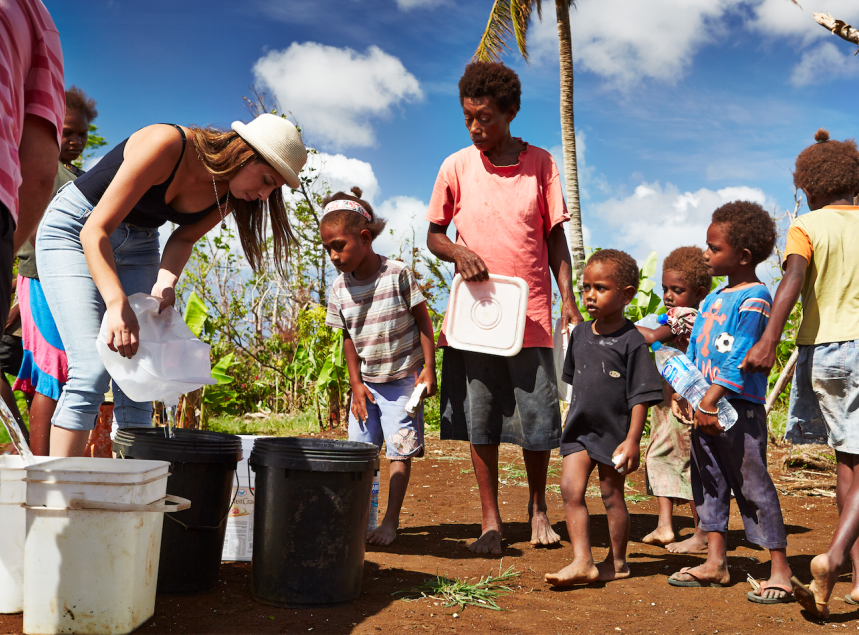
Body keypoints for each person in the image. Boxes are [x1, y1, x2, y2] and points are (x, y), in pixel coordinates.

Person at [36, 113, 306, 456]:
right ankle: (60, 501)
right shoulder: (167, 144)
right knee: (91, 371)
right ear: (244, 154)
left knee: (141, 377)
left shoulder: (231, 194)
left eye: (275, 189)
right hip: (76, 230)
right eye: (267, 179)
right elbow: (95, 231)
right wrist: (117, 304)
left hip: (140, 245)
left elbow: (184, 238)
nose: (266, 195)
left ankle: (131, 498)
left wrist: (165, 281)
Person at [742, 129, 859, 618]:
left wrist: (769, 339)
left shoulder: (807, 225)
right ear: (857, 182)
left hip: (819, 353)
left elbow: (792, 280)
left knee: (847, 459)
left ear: (807, 187)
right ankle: (833, 559)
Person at [425, 61, 582, 555]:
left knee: (537, 420)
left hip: (529, 314)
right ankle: (490, 519)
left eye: (486, 118)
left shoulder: (541, 165)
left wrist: (568, 302)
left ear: (511, 112)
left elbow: (556, 239)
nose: (476, 127)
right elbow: (434, 235)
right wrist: (458, 251)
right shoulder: (456, 166)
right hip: (475, 318)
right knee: (481, 419)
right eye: (468, 117)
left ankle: (537, 508)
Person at [666, 200, 794, 605]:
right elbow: (698, 351)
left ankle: (780, 569)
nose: (705, 255)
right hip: (704, 407)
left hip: (736, 411)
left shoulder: (755, 298)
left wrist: (709, 401)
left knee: (753, 486)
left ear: (742, 256)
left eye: (713, 248)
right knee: (709, 482)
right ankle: (716, 562)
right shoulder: (713, 299)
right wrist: (683, 393)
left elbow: (739, 357)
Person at [0, 0, 66, 536]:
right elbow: (37, 173)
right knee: (48, 377)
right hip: (37, 279)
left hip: (31, 279)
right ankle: (40, 459)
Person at [322, 187, 437, 547]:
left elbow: (424, 321)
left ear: (365, 237)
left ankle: (390, 522)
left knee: (399, 452)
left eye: (338, 245)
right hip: (366, 386)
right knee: (359, 456)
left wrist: (429, 368)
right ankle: (360, 521)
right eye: (327, 249)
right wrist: (355, 385)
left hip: (403, 382)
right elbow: (347, 340)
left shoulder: (397, 274)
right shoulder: (338, 289)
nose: (333, 255)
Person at [544, 250, 664, 586]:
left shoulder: (633, 341)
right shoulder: (580, 334)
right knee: (570, 489)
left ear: (626, 295)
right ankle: (582, 560)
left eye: (600, 288)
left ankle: (619, 562)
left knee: (612, 496)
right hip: (579, 430)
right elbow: (576, 383)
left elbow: (641, 397)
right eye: (585, 288)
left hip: (615, 433)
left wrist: (632, 440)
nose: (590, 296)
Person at [13, 86, 97, 455]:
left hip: (71, 282)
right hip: (42, 278)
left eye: (82, 134)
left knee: (69, 373)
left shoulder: (77, 175)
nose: (76, 140)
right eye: (67, 132)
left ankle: (57, 464)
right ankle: (42, 468)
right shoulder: (40, 168)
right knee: (52, 372)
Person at [636, 246, 710, 553]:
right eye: (665, 288)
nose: (668, 295)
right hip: (668, 401)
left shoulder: (687, 316)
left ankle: (701, 530)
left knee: (686, 463)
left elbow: (653, 338)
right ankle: (666, 526)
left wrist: (616, 328)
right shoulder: (669, 314)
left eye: (677, 290)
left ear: (698, 292)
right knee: (664, 457)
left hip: (683, 400)